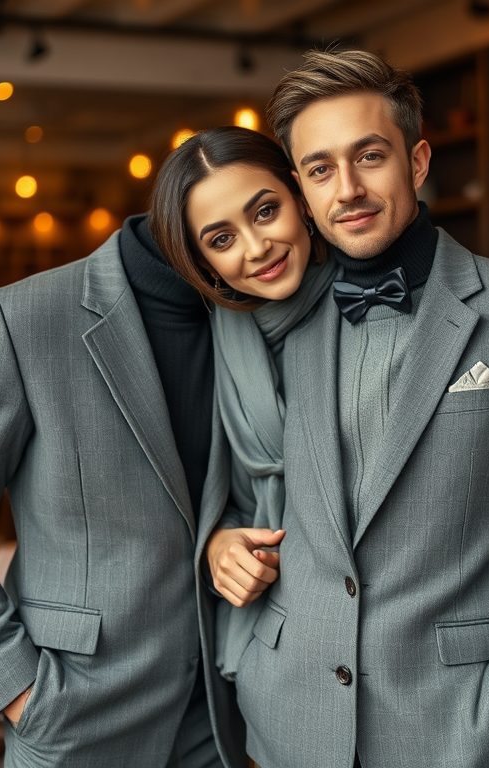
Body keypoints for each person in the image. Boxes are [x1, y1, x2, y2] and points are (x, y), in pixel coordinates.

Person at [202, 49, 489, 768]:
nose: (347, 189)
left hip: (455, 728)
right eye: (319, 169)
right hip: (286, 717)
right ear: (302, 191)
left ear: (418, 159)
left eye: (369, 155)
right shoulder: (271, 323)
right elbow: (252, 492)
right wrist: (223, 542)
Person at [0, 210, 246, 767]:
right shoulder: (23, 316)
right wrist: (19, 690)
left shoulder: (250, 312)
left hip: (216, 715)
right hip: (76, 715)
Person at [149, 125, 335, 678]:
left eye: (264, 211)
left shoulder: (370, 303)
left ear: (301, 199)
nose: (256, 249)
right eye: (221, 239)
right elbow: (221, 487)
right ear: (202, 263)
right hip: (268, 639)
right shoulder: (212, 338)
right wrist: (222, 543)